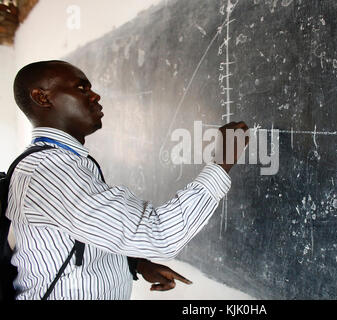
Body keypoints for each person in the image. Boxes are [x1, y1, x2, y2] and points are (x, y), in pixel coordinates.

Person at [7, 60, 249, 299]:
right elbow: (160, 234)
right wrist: (222, 160)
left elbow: (83, 233)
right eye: (82, 89)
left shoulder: (59, 163)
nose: (95, 96)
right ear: (42, 98)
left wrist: (136, 263)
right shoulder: (49, 173)